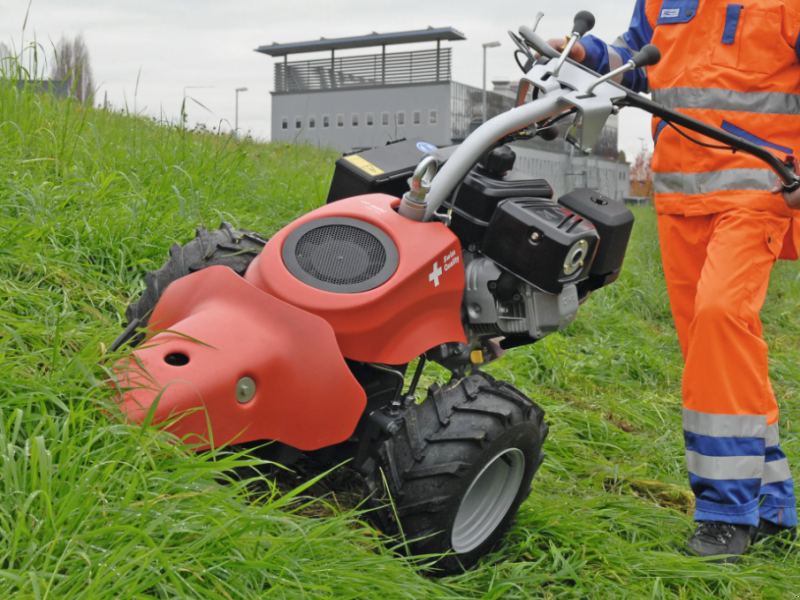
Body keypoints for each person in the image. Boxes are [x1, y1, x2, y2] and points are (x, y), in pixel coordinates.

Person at [547, 0, 799, 560]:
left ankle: (726, 510)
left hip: (758, 187)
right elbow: (638, 61)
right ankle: (774, 503)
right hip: (680, 197)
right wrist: (588, 53)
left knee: (720, 317)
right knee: (711, 349)